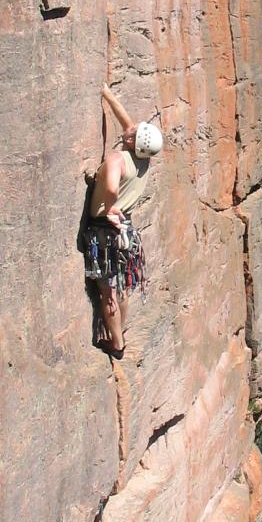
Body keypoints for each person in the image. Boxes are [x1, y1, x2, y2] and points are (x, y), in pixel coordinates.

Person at [84, 83, 163, 357]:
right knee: (122, 285)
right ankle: (121, 331)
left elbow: (113, 188)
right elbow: (127, 123)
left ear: (132, 142)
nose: (133, 126)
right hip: (126, 231)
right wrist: (106, 93)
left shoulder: (118, 158)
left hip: (105, 232)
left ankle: (116, 344)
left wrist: (107, 206)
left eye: (135, 131)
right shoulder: (143, 160)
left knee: (108, 292)